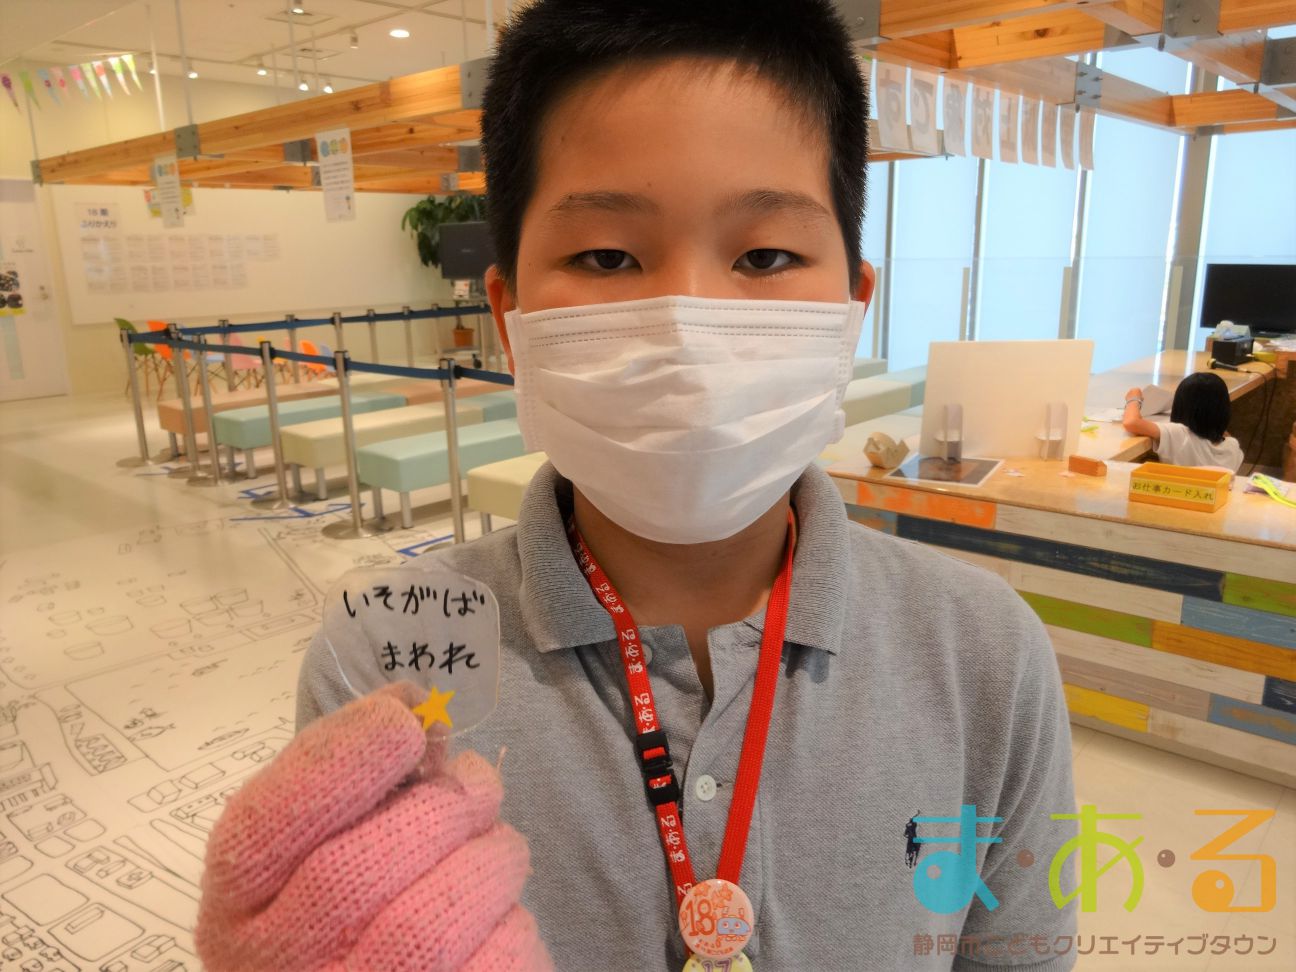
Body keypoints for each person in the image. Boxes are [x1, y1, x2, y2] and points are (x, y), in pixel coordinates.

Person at [196, 2, 1078, 969]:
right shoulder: (393, 656)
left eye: (765, 256)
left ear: (850, 305)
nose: (686, 324)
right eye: (606, 256)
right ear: (510, 314)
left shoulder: (981, 651)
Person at [1122, 372, 1244, 472]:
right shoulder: (1233, 447)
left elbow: (1131, 422)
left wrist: (1134, 398)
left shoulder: (1179, 434)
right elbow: (1220, 430)